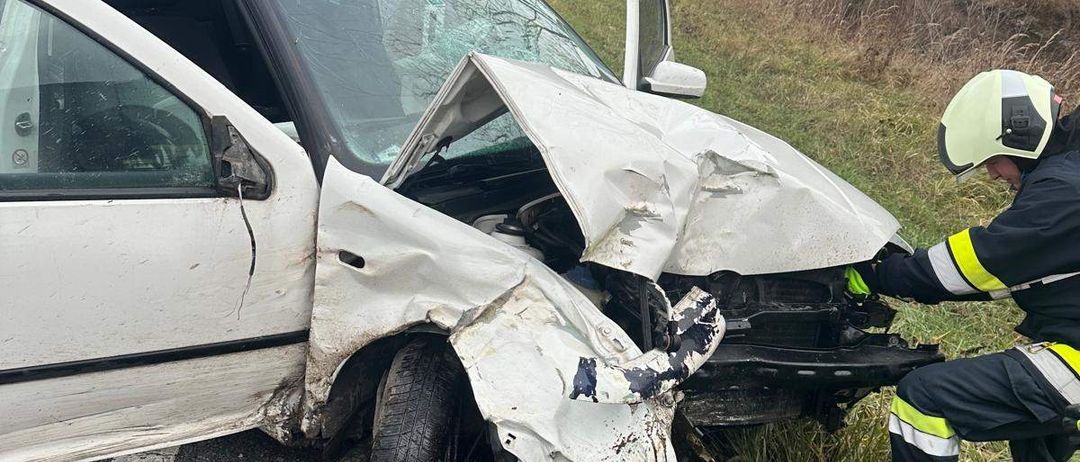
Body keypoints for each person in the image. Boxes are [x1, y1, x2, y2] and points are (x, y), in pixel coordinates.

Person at [849, 69, 1080, 462]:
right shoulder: (1069, 172)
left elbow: (970, 266)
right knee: (1034, 420)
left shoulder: (1061, 196)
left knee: (924, 399)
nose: (992, 173)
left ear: (1021, 138)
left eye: (994, 160)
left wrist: (875, 273)